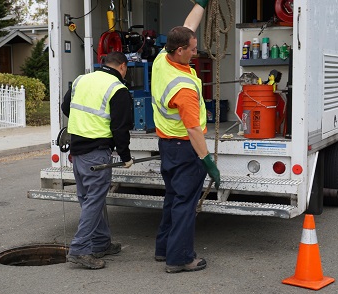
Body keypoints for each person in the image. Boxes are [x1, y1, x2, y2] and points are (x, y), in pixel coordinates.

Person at [151, 0, 221, 273]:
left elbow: (189, 26)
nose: (196, 52)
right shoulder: (183, 89)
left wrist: (201, 4)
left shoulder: (161, 59)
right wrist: (208, 162)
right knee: (184, 203)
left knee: (173, 198)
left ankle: (163, 248)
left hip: (168, 146)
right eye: (192, 50)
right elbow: (193, 130)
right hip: (185, 148)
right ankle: (179, 258)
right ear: (180, 50)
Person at [61, 51, 134, 269]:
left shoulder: (81, 80)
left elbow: (67, 108)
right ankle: (80, 249)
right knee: (93, 201)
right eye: (126, 68)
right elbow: (120, 128)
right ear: (122, 66)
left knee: (91, 198)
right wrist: (126, 156)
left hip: (78, 151)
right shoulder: (118, 89)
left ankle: (101, 243)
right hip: (97, 152)